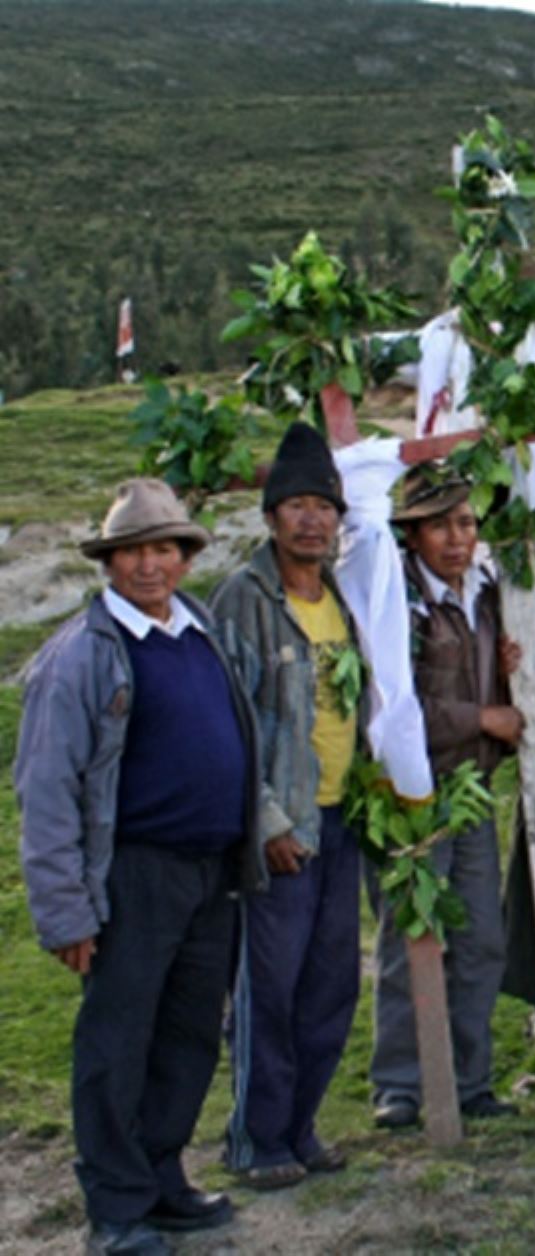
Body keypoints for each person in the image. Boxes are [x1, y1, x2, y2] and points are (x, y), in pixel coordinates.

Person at [16, 480, 261, 1254]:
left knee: (188, 1033)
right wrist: (65, 913)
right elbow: (48, 789)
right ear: (108, 561)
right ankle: (116, 1209)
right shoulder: (83, 655)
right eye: (132, 550)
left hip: (210, 870)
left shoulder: (201, 632)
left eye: (164, 548)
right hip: (134, 874)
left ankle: (162, 1179)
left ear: (187, 557)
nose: (148, 564)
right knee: (117, 1040)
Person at [212, 422, 368, 1189]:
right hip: (283, 829)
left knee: (331, 984)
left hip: (344, 820)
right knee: (267, 989)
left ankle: (300, 1125)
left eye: (324, 506)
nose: (311, 519)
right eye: (296, 505)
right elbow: (227, 726)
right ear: (270, 517)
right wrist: (265, 821)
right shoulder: (243, 601)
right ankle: (256, 1139)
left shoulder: (340, 594)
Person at [368, 466, 522, 1130]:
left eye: (465, 523)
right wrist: (481, 718)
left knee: (481, 939)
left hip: (474, 792)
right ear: (412, 534)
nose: (456, 538)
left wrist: (518, 681)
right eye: (439, 524)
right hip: (413, 794)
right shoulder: (394, 602)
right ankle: (403, 1083)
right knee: (413, 939)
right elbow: (391, 703)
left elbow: (502, 685)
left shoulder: (488, 596)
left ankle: (470, 1078)